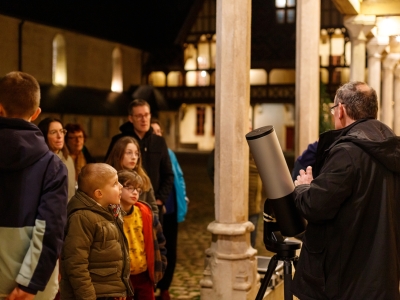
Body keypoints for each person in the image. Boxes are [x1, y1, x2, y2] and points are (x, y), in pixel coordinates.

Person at [292, 81, 400, 300]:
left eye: (334, 110)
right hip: (383, 276)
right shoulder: (392, 148)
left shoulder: (347, 152)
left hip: (348, 279)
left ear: (340, 109)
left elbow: (315, 205)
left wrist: (304, 187)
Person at [0, 71, 68, 300]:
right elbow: (50, 229)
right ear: (37, 113)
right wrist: (30, 283)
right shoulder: (53, 166)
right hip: (33, 289)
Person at [60, 163, 133, 299]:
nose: (121, 186)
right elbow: (76, 264)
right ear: (99, 193)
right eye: (115, 183)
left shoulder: (110, 212)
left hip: (109, 294)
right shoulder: (82, 218)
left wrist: (118, 289)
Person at [105, 99, 174, 223]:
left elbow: (168, 173)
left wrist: (160, 200)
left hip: (150, 204)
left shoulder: (159, 142)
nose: (144, 119)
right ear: (131, 118)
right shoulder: (120, 140)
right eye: (139, 116)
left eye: (146, 115)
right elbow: (108, 170)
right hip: (123, 208)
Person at [151, 119, 188, 300]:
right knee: (155, 248)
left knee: (170, 249)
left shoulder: (170, 153)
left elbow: (178, 176)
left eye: (159, 131)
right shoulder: (148, 153)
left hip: (172, 208)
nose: (157, 134)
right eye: (153, 131)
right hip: (157, 209)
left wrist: (184, 196)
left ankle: (165, 287)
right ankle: (153, 286)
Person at [117, 170, 167, 300]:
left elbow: (160, 241)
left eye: (138, 190)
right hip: (122, 278)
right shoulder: (110, 215)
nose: (135, 192)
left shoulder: (145, 213)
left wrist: (160, 266)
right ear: (118, 188)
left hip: (144, 275)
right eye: (130, 188)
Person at [105, 136, 158, 214]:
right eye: (129, 152)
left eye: (136, 154)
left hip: (139, 223)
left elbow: (153, 208)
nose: (133, 157)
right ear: (118, 154)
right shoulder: (107, 177)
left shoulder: (143, 178)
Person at [38, 117, 76, 200]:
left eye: (62, 131)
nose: (59, 136)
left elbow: (71, 192)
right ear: (44, 136)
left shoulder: (68, 159)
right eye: (53, 132)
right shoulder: (40, 162)